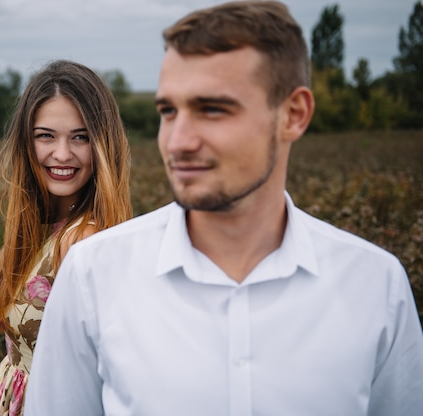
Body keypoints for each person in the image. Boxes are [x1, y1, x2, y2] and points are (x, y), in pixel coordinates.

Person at [25, 2, 423, 415]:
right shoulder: (93, 274)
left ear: (294, 114)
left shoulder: (376, 287)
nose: (177, 141)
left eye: (212, 109)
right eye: (168, 111)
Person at [0, 59, 132, 415]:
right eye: (46, 135)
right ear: (26, 143)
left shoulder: (83, 239)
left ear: (103, 145)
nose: (62, 154)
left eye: (81, 137)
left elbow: (109, 372)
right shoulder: (42, 228)